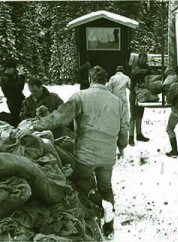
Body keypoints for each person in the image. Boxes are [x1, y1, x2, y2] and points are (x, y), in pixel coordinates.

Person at [15, 66, 129, 239]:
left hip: (86, 154)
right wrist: (122, 146)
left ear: (90, 80)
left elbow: (58, 117)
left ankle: (100, 204)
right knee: (106, 187)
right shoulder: (118, 102)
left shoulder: (80, 97)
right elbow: (124, 128)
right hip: (107, 155)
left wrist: (33, 126)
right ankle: (109, 227)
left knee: (77, 179)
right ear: (105, 81)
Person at [129, 51, 151, 146]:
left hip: (143, 93)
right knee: (133, 115)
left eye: (146, 58)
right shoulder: (135, 67)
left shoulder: (147, 67)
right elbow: (137, 72)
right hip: (134, 93)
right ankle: (130, 137)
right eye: (143, 58)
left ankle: (138, 134)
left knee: (140, 115)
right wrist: (147, 72)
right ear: (139, 58)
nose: (145, 60)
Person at [0, 60, 25, 127]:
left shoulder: (8, 77)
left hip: (15, 101)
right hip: (14, 102)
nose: (14, 71)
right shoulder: (5, 79)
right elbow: (19, 87)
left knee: (17, 118)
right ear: (7, 69)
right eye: (12, 70)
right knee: (17, 119)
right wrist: (21, 76)